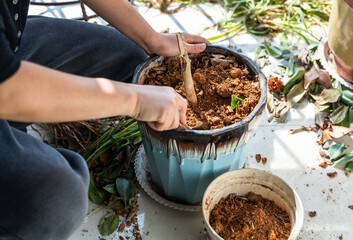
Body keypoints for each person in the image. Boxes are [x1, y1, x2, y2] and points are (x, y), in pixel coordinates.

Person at [0, 0, 210, 239]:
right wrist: (136, 103)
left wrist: (152, 39)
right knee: (57, 201)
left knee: (131, 58)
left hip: (9, 46)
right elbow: (7, 90)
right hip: (7, 85)